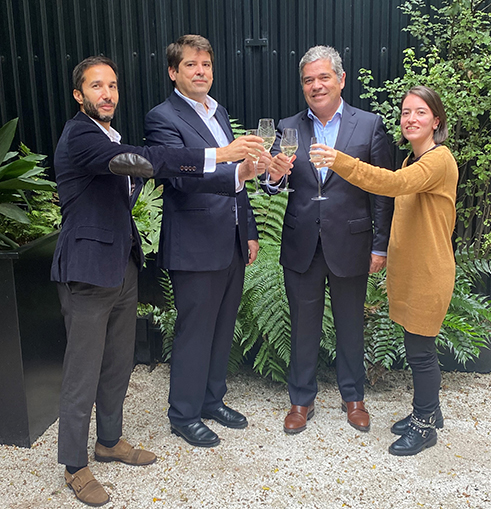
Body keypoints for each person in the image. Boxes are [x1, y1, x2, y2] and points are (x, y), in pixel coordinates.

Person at [52, 55, 264, 507]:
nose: (107, 94)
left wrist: (240, 172)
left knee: (118, 363)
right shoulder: (81, 136)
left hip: (121, 266)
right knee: (82, 372)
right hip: (86, 270)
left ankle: (109, 442)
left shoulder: (108, 135)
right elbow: (143, 160)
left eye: (112, 85)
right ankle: (74, 465)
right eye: (96, 86)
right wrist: (219, 155)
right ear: (78, 94)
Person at [144, 35, 286, 448]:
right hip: (194, 244)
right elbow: (178, 176)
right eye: (191, 64)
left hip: (231, 239)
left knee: (223, 327)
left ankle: (211, 400)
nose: (200, 71)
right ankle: (183, 414)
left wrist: (250, 229)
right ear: (173, 72)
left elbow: (238, 181)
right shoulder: (162, 118)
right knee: (195, 331)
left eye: (205, 64)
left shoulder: (217, 111)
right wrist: (237, 168)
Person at [311, 85, 458, 456]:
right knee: (417, 346)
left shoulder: (438, 161)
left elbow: (391, 185)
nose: (411, 119)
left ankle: (425, 425)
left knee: (420, 351)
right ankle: (429, 410)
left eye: (420, 112)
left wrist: (339, 160)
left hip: (429, 272)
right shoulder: (412, 160)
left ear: (436, 120)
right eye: (406, 112)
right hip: (411, 271)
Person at [267, 45, 394, 435]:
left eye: (323, 77)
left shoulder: (368, 125)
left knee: (350, 325)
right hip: (302, 243)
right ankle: (301, 400)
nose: (316, 86)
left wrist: (380, 245)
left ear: (341, 79)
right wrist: (273, 176)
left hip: (351, 242)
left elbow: (382, 191)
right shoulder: (288, 127)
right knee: (302, 326)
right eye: (308, 80)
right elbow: (273, 185)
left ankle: (353, 396)